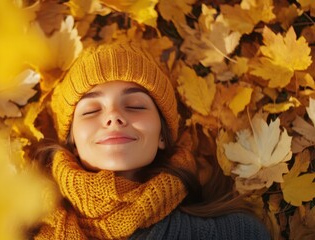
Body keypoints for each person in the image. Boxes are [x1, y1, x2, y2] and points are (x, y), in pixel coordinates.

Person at [30, 42, 271, 239]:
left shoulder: (234, 233)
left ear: (163, 136)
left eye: (135, 105)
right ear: (72, 142)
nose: (114, 116)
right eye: (92, 110)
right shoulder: (14, 230)